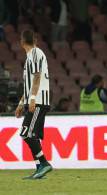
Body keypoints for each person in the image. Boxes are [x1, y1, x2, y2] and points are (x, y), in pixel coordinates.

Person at [15, 29, 52, 179]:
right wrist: (20, 103)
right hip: (34, 100)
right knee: (26, 134)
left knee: (28, 134)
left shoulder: (36, 53)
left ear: (22, 42)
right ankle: (39, 168)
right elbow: (29, 84)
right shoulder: (30, 56)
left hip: (38, 101)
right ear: (34, 40)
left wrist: (32, 99)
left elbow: (37, 77)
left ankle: (44, 164)